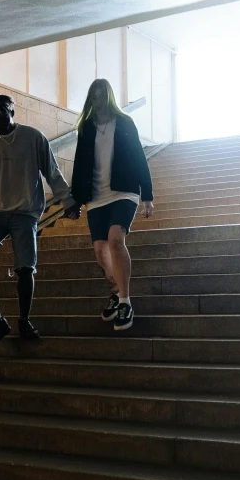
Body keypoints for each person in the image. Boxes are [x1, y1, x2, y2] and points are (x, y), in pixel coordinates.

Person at [0, 94, 81, 346]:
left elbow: (52, 172)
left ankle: (24, 320)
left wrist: (68, 200)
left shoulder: (33, 138)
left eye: (2, 116)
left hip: (25, 212)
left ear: (12, 113)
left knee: (25, 268)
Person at [71, 79, 154, 331]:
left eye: (101, 95)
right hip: (96, 196)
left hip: (123, 190)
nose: (97, 101)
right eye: (93, 96)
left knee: (115, 239)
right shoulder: (86, 128)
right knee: (99, 250)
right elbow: (79, 165)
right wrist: (75, 200)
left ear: (109, 97)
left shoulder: (125, 123)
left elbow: (139, 157)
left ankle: (125, 301)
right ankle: (116, 291)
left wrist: (147, 195)